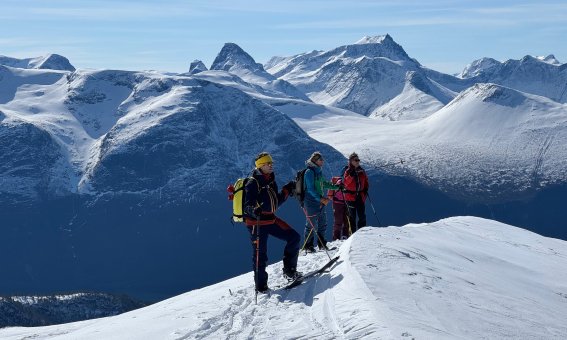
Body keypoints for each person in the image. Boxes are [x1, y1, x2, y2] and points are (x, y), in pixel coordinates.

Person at [243, 152, 301, 293]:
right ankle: (261, 287)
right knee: (260, 255)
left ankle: (290, 271)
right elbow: (247, 205)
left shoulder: (271, 181)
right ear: (261, 166)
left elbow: (275, 203)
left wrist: (287, 190)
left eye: (271, 163)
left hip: (270, 219)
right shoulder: (253, 182)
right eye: (268, 163)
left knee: (294, 237)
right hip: (256, 224)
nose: (271, 165)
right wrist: (253, 210)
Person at [302, 151, 339, 252]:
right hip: (311, 201)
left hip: (319, 200)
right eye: (320, 159)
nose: (322, 161)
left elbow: (324, 183)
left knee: (323, 222)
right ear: (315, 161)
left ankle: (322, 244)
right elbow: (310, 189)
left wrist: (336, 187)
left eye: (322, 159)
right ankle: (308, 246)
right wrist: (321, 198)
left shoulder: (318, 171)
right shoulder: (309, 172)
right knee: (311, 224)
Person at [342, 152, 369, 234]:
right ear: (351, 161)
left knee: (362, 216)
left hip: (360, 196)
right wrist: (352, 174)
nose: (357, 162)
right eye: (355, 160)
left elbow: (366, 181)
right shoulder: (348, 171)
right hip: (350, 197)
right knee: (352, 217)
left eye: (358, 160)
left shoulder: (361, 170)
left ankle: (362, 233)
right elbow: (346, 183)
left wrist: (365, 191)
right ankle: (353, 234)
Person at [327, 176, 349, 240]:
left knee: (339, 221)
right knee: (346, 220)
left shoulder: (340, 181)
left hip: (337, 203)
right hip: (344, 202)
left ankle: (336, 238)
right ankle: (345, 236)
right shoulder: (341, 182)